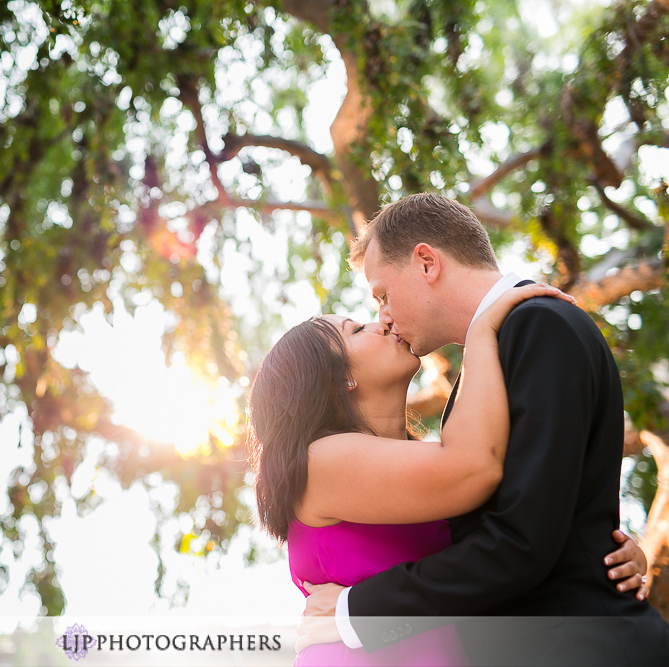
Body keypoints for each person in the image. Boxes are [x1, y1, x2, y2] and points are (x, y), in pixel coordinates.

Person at [292, 193, 669, 665]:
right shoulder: (487, 366)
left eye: (383, 294)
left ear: (427, 263)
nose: (383, 317)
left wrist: (352, 612)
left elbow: (522, 540)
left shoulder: (538, 326)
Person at [248, 282, 649, 665]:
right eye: (356, 329)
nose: (382, 321)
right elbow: (476, 467)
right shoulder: (321, 462)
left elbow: (511, 533)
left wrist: (606, 552)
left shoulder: (429, 465)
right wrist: (483, 331)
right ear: (339, 380)